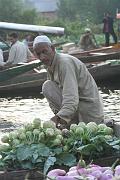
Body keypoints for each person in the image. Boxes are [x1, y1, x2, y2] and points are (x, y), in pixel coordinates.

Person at [33, 35, 104, 129]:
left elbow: (71, 98)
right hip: (78, 109)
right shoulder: (51, 65)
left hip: (88, 114)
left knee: (47, 86)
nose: (42, 57)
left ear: (53, 49)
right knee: (48, 85)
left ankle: (67, 120)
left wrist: (56, 119)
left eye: (44, 52)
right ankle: (66, 120)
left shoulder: (64, 63)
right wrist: (58, 117)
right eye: (38, 54)